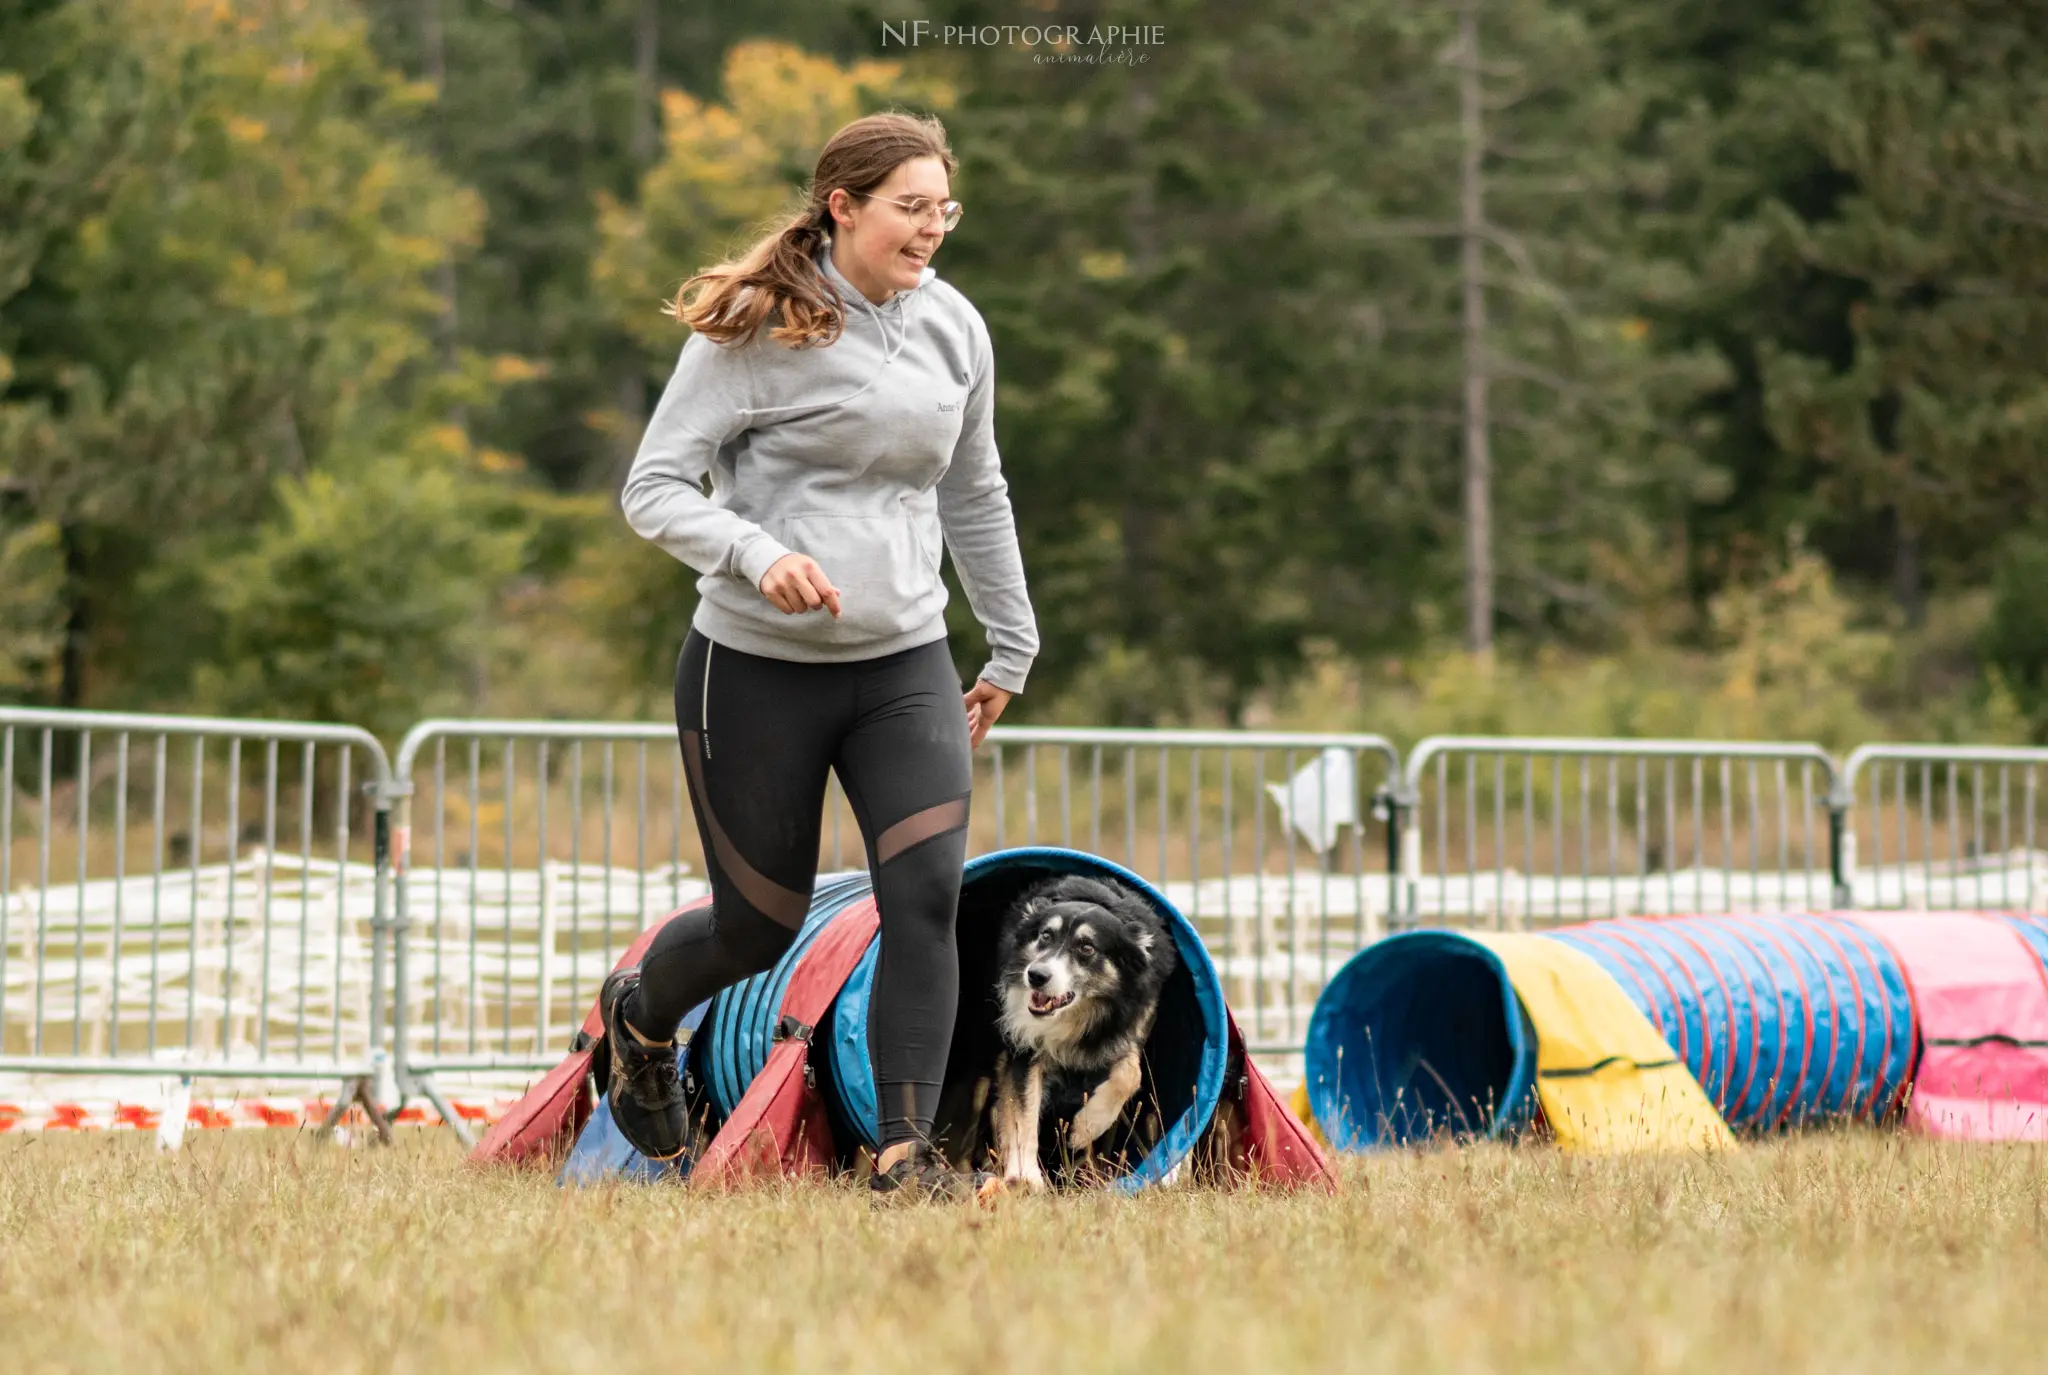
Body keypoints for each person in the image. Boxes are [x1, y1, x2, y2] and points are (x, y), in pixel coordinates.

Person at [602, 111, 1040, 1202]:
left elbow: (973, 488)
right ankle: (640, 1023)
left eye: (943, 208)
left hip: (903, 661)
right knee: (761, 922)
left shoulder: (956, 330)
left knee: (927, 895)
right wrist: (755, 554)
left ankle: (903, 1150)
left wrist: (1011, 638)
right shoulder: (755, 327)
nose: (931, 228)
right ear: (842, 206)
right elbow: (651, 487)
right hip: (754, 665)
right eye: (909, 207)